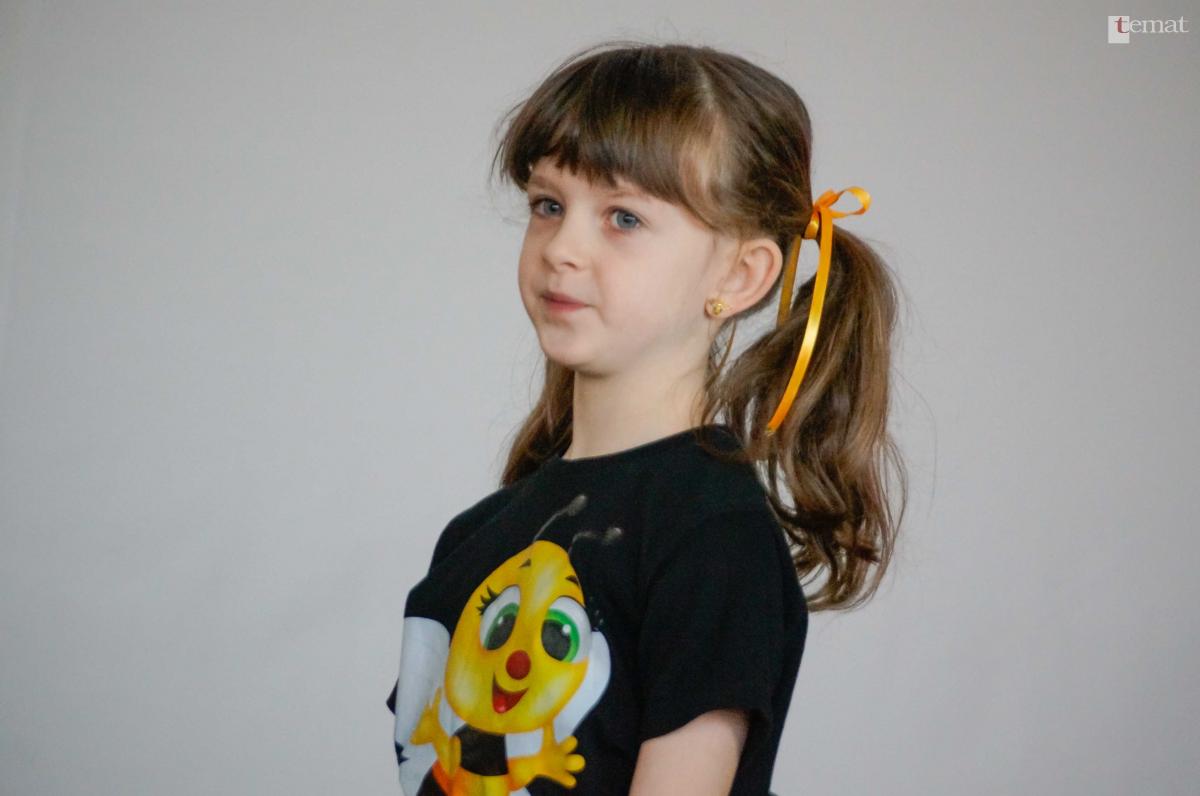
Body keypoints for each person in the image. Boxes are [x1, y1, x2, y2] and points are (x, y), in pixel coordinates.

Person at [385, 40, 907, 795]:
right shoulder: (478, 536)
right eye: (548, 205)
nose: (563, 248)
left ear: (740, 274)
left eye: (623, 217)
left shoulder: (713, 537)